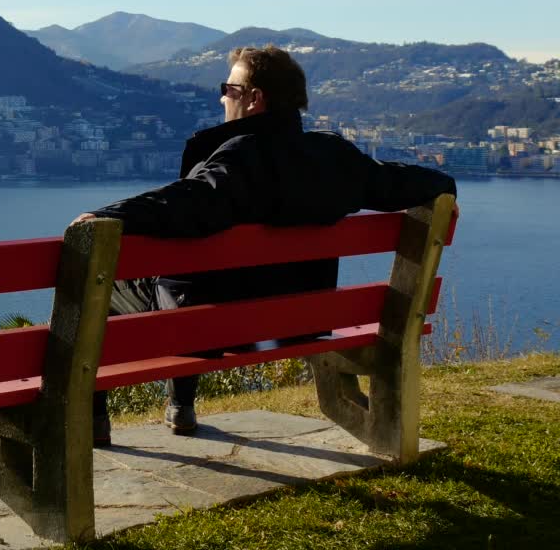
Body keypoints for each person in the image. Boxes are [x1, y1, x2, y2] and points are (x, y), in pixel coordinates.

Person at [71, 45, 456, 443]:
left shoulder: (241, 157)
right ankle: (179, 408)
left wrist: (106, 215)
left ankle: (98, 422)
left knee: (102, 286)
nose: (222, 97)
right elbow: (399, 182)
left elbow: (194, 200)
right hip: (300, 322)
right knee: (185, 282)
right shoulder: (333, 156)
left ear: (255, 99)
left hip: (212, 327)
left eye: (229, 89)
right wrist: (445, 189)